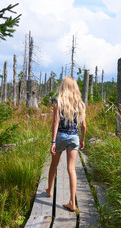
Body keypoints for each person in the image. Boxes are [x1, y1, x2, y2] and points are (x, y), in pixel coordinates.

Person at [45, 76, 86, 212]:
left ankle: (49, 189)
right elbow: (83, 126)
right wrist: (82, 140)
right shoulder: (80, 103)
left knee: (54, 164)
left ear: (64, 86)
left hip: (61, 136)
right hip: (74, 137)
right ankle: (72, 202)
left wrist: (53, 141)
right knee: (71, 169)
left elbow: (55, 122)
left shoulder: (58, 101)